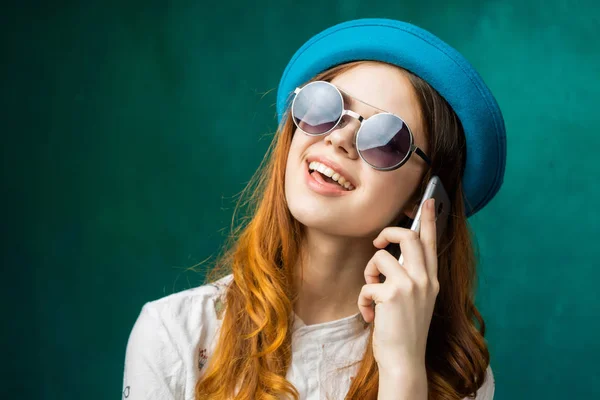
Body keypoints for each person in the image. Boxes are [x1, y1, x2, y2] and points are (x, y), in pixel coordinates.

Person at [122, 18, 506, 400]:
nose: (339, 139)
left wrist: (403, 369)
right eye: (324, 107)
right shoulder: (175, 336)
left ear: (424, 198)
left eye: (387, 139)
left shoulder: (457, 376)